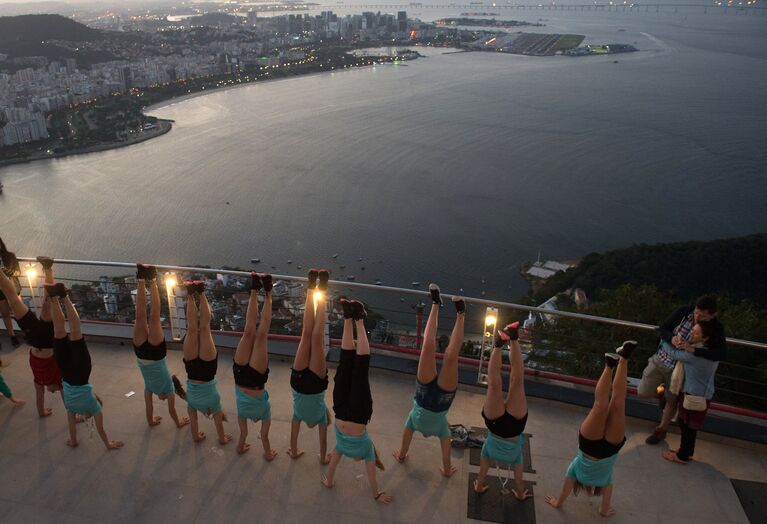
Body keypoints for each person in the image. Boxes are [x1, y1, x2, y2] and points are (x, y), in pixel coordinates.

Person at [546, 341, 637, 518]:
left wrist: (558, 502)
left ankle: (609, 365)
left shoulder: (578, 472)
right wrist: (603, 510)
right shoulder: (605, 481)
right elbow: (606, 498)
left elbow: (566, 487)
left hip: (590, 446)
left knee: (601, 406)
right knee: (618, 403)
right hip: (610, 448)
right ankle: (624, 356)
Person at [321, 298, 393, 504]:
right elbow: (334, 467)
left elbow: (367, 473)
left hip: (352, 412)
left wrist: (329, 481)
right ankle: (351, 318)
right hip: (343, 410)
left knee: (355, 366)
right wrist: (376, 495)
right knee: (347, 365)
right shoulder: (359, 450)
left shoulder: (364, 449)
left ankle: (354, 318)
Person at [394, 283, 464, 476]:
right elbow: (446, 452)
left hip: (422, 393)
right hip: (442, 401)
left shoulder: (412, 422)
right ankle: (461, 314)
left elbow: (405, 441)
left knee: (427, 346)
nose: (425, 434)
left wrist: (401, 456)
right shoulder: (442, 429)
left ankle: (435, 302)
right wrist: (447, 470)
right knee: (451, 356)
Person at [639, 296, 726, 445]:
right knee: (643, 392)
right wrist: (671, 338)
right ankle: (662, 394)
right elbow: (662, 328)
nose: (698, 317)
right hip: (661, 359)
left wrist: (693, 351)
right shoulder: (684, 313)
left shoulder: (715, 328)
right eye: (697, 312)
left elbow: (721, 354)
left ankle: (661, 430)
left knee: (672, 402)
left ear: (712, 316)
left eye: (703, 316)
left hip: (681, 371)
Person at [47, 282, 123, 450]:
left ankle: (63, 295)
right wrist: (73, 441)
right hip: (66, 371)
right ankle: (53, 297)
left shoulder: (94, 407)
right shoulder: (71, 408)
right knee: (59, 330)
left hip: (81, 372)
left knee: (75, 331)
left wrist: (108, 444)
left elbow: (101, 429)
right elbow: (72, 428)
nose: (86, 418)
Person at [0, 248, 68, 418]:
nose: (51, 392)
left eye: (49, 391)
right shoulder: (59, 381)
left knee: (14, 299)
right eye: (54, 391)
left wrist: (42, 412)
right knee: (47, 302)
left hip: (34, 337)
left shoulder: (40, 383)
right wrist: (76, 415)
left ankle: (47, 267)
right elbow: (68, 401)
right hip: (44, 340)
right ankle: (47, 267)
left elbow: (40, 399)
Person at [473, 321, 532, 500]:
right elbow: (482, 475)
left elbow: (518, 479)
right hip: (496, 423)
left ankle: (509, 339)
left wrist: (520, 493)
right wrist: (478, 486)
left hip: (514, 426)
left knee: (514, 381)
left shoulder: (516, 459)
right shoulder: (488, 453)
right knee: (496, 384)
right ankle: (501, 342)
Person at [659, 320, 724, 464]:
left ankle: (682, 456)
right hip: (703, 394)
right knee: (689, 425)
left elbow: (674, 354)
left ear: (705, 338)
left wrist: (664, 340)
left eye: (695, 333)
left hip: (693, 394)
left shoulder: (695, 355)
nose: (691, 334)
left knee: (686, 424)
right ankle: (686, 451)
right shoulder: (711, 353)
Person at [133, 263, 189, 429]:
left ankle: (149, 278)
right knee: (145, 316)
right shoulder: (153, 389)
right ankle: (144, 278)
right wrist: (176, 422)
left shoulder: (165, 389)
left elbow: (170, 410)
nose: (162, 399)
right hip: (143, 354)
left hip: (155, 354)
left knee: (152, 317)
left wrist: (176, 422)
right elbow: (158, 408)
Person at [287, 269, 331, 464]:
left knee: (316, 337)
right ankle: (311, 287)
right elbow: (293, 437)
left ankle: (321, 288)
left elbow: (323, 442)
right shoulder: (298, 416)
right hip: (297, 381)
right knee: (307, 334)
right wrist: (294, 451)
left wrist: (324, 458)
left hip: (315, 384)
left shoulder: (322, 417)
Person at [233, 272, 277, 460]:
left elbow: (264, 437)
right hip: (242, 376)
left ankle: (263, 291)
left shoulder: (265, 412)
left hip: (255, 380)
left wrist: (269, 454)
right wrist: (240, 448)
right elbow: (243, 435)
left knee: (257, 333)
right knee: (253, 332)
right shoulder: (243, 415)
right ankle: (258, 290)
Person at [181, 280, 231, 445]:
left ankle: (200, 292)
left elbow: (219, 427)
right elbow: (194, 427)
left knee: (204, 328)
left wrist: (223, 438)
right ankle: (191, 293)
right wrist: (197, 436)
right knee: (194, 328)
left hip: (208, 369)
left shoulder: (215, 404)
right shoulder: (191, 403)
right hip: (192, 368)